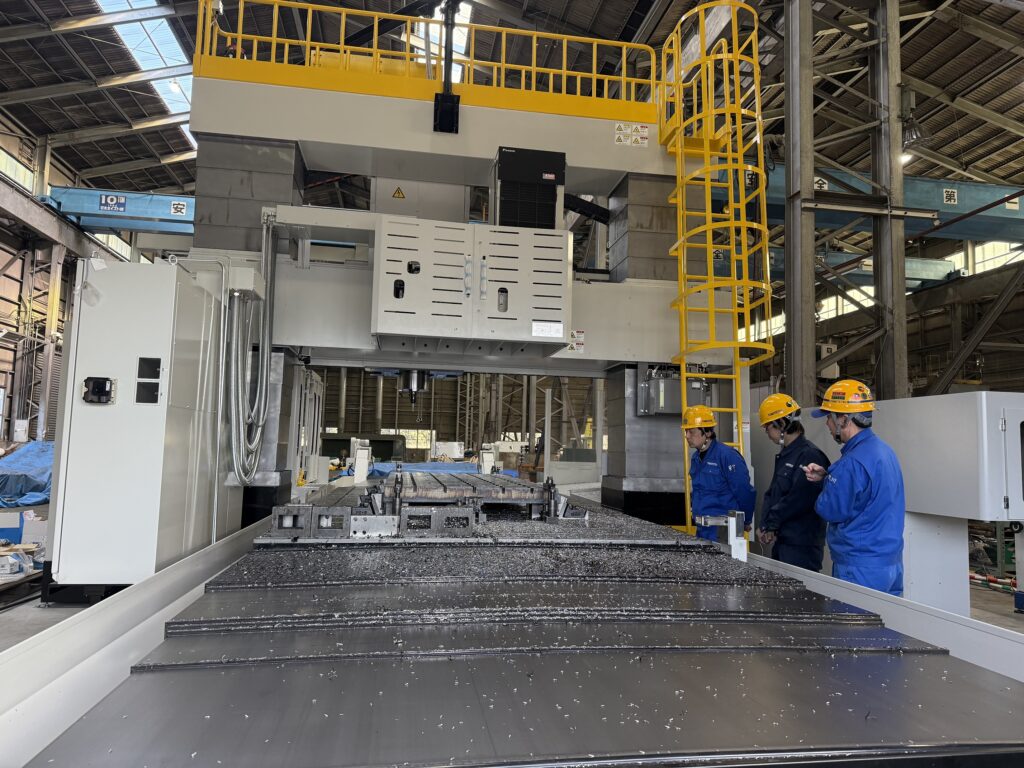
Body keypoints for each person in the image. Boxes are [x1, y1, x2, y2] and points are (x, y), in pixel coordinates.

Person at [802, 380, 906, 596]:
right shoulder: (885, 452)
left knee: (852, 619)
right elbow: (866, 496)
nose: (827, 425)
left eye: (829, 417)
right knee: (885, 618)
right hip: (890, 564)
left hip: (859, 568)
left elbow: (830, 509)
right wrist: (829, 477)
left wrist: (828, 485)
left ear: (843, 419)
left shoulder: (851, 463)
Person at [756, 393, 829, 571]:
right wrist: (765, 524)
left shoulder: (809, 455)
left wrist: (771, 523)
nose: (767, 433)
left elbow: (798, 499)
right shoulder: (786, 455)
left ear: (781, 424)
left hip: (801, 546)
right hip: (784, 541)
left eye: (767, 427)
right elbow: (773, 493)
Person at [683, 404, 756, 541]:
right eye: (686, 431)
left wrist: (745, 520)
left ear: (707, 432)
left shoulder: (727, 456)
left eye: (691, 431)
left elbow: (744, 490)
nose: (687, 436)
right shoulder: (696, 458)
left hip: (724, 530)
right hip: (703, 529)